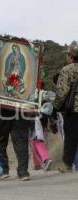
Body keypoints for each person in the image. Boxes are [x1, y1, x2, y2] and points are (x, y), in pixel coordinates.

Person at [0, 62, 32, 181]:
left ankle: (3, 171)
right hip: (22, 105)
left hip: (2, 106)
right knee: (21, 139)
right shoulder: (26, 51)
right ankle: (23, 172)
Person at [53, 41, 78, 173]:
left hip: (73, 109)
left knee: (71, 137)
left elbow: (62, 92)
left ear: (70, 56)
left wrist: (54, 108)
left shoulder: (67, 70)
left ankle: (67, 165)